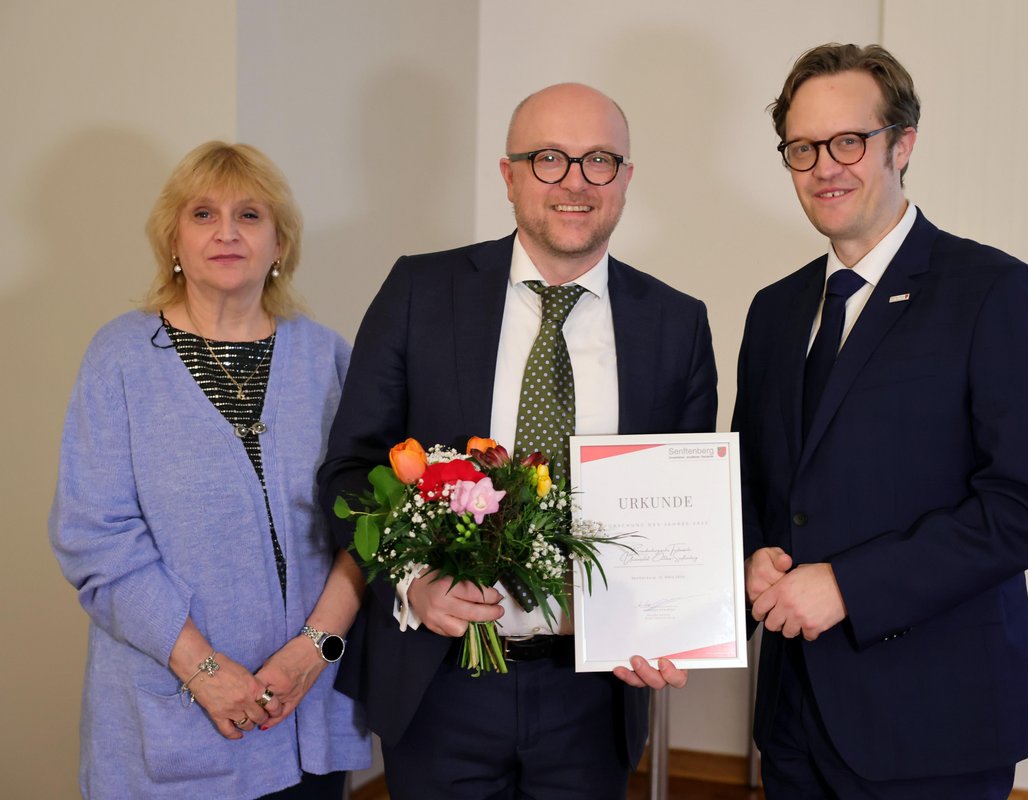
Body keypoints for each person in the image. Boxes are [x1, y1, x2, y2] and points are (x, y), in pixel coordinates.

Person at [318, 82, 718, 799]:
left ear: (626, 179)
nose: (574, 182)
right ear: (508, 176)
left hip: (593, 697)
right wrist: (414, 579)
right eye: (547, 159)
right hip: (440, 681)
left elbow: (682, 508)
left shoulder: (677, 325)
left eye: (599, 160)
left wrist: (673, 617)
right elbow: (350, 473)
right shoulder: (420, 291)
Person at [734, 44, 1028, 798]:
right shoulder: (774, 311)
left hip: (934, 719)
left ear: (903, 143)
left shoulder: (996, 293)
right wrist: (753, 557)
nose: (825, 166)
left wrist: (849, 586)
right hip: (793, 716)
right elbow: (758, 486)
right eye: (802, 148)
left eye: (849, 141)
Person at [49, 141, 371, 799]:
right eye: (202, 214)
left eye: (250, 215)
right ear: (172, 237)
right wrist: (203, 669)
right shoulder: (119, 359)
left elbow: (369, 522)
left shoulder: (327, 358)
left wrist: (314, 649)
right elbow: (95, 538)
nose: (226, 232)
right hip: (169, 715)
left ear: (281, 242)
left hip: (306, 705)